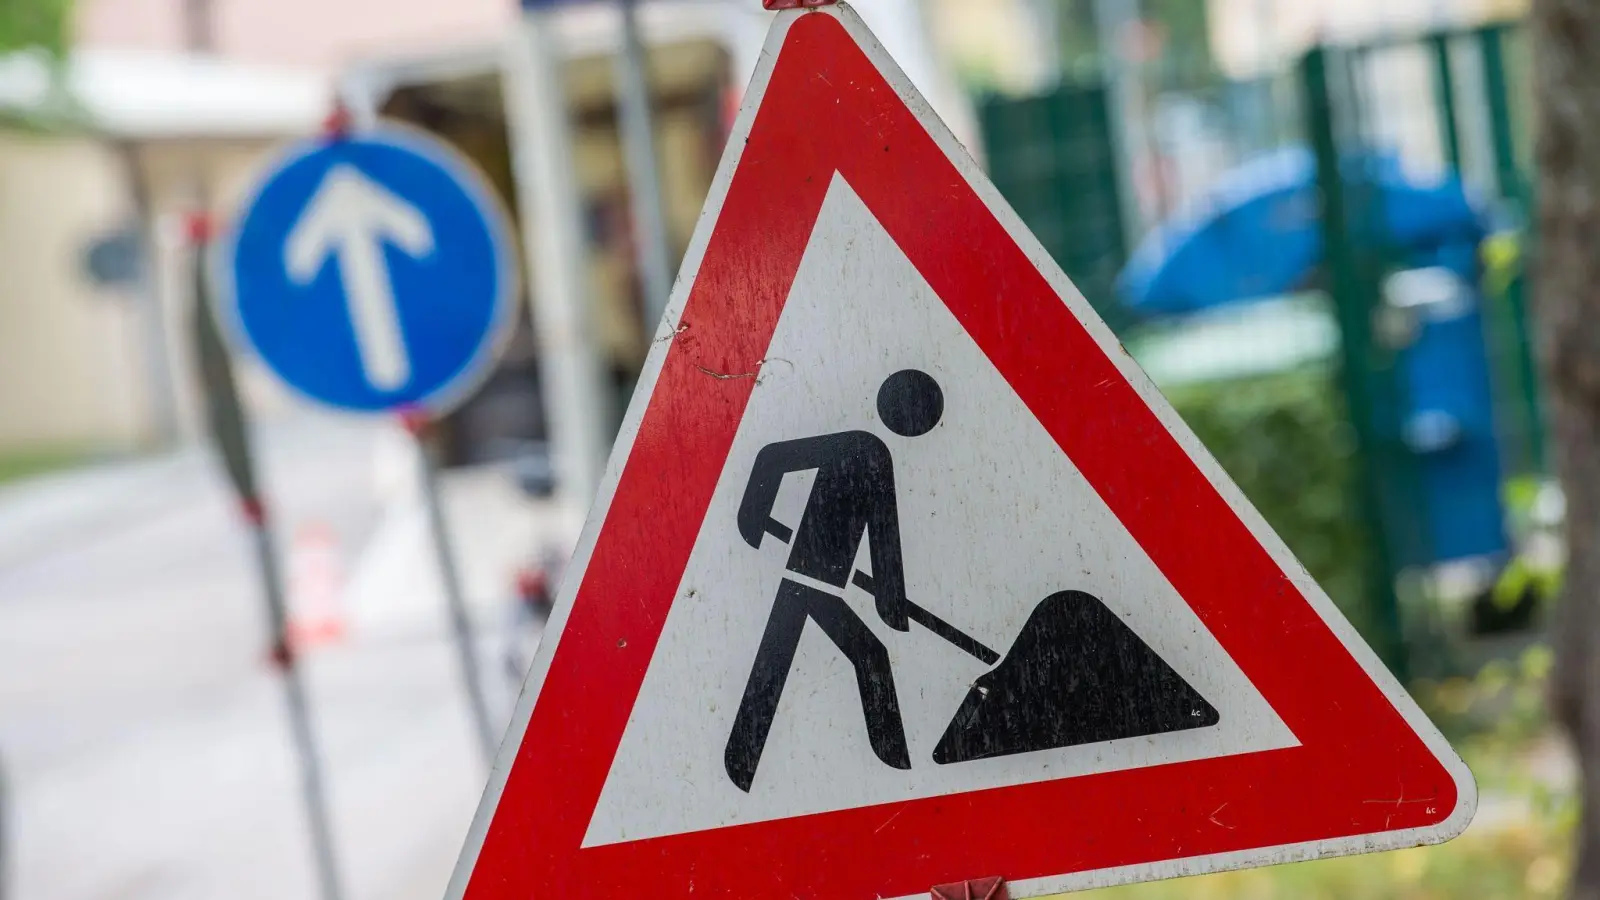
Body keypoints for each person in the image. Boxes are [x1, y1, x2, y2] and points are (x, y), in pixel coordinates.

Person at [723, 369, 944, 792]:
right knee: (866, 658)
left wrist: (890, 601)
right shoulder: (860, 447)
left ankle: (739, 764)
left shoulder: (874, 454)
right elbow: (772, 458)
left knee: (780, 663)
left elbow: (884, 538)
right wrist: (752, 516)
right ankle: (899, 775)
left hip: (817, 584)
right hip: (807, 581)